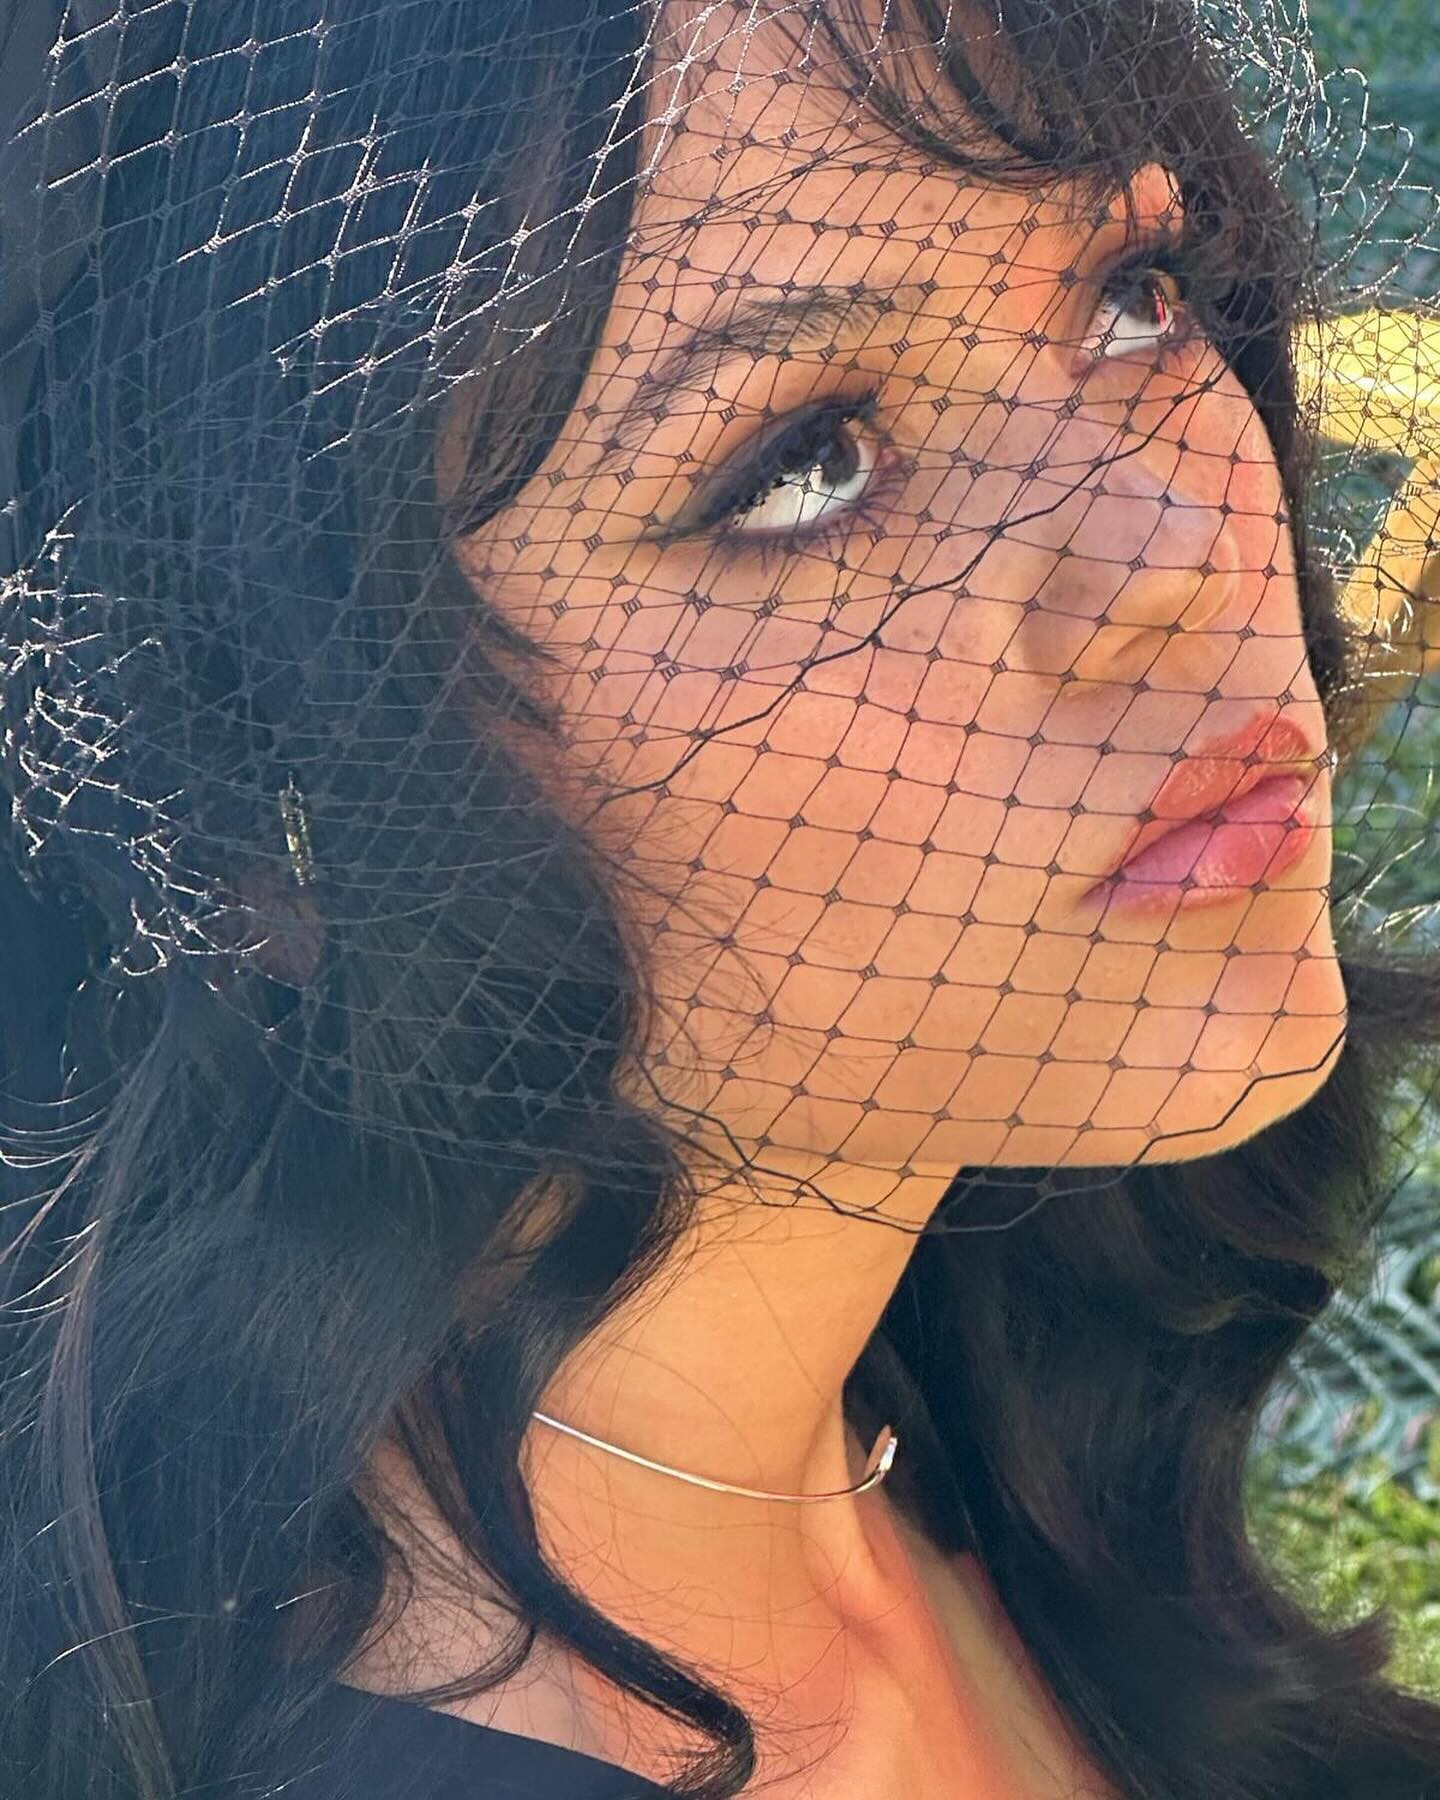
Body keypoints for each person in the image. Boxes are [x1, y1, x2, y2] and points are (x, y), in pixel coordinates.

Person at [0, 0, 1437, 1795]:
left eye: (1135, 296)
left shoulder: (980, 1383)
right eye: (806, 466)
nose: (1172, 549)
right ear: (262, 787)